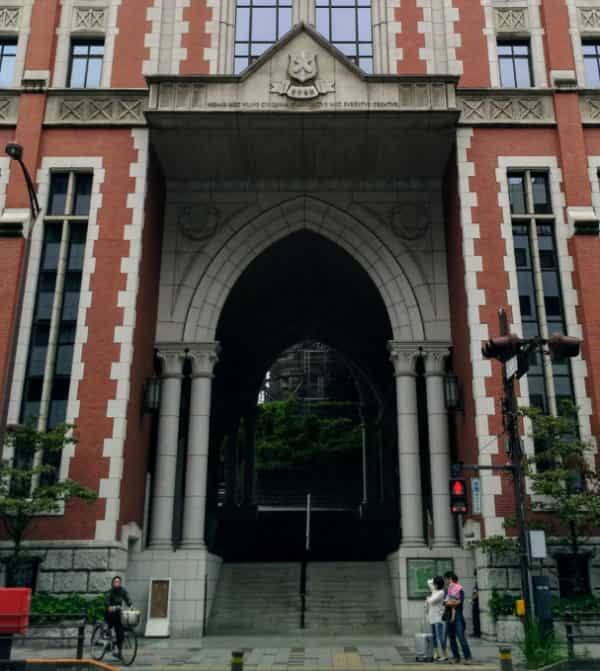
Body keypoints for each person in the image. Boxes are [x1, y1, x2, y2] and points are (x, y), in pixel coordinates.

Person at [443, 571, 472, 664]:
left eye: (446, 579)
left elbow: (459, 602)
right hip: (449, 616)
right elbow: (445, 603)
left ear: (450, 578)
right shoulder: (447, 590)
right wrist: (450, 602)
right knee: (451, 638)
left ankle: (468, 657)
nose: (446, 581)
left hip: (458, 617)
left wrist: (450, 602)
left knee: (461, 637)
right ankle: (456, 657)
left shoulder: (459, 589)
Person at [104, 575, 132, 659]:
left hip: (118, 615)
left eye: (118, 582)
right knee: (108, 630)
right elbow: (106, 601)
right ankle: (107, 642)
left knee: (120, 634)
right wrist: (110, 607)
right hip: (110, 614)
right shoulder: (110, 592)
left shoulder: (122, 590)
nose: (117, 583)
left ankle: (119, 652)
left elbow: (127, 598)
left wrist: (130, 605)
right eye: (115, 582)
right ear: (112, 583)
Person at [425, 576, 448, 661]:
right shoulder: (435, 590)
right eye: (434, 584)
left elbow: (431, 601)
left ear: (438, 584)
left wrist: (428, 599)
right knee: (434, 636)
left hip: (438, 618)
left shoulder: (441, 592)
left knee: (440, 637)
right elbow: (428, 581)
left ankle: (444, 655)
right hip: (432, 617)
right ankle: (436, 653)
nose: (433, 585)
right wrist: (434, 580)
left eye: (435, 584)